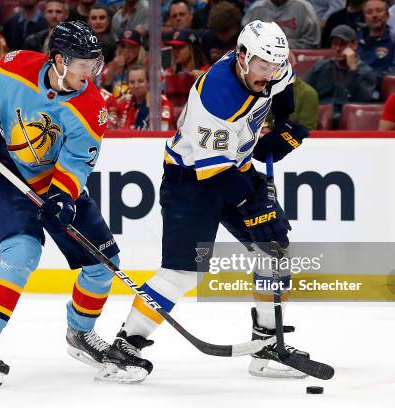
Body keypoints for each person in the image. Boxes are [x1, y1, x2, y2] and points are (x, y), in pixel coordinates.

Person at [98, 21, 311, 384]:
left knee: (274, 251)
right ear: (242, 58)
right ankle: (125, 348)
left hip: (235, 168)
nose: (270, 73)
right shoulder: (215, 97)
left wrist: (282, 125)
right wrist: (254, 204)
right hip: (191, 181)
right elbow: (216, 174)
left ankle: (266, 346)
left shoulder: (272, 67)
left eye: (275, 65)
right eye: (262, 66)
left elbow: (285, 84)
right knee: (181, 273)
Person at [0, 21, 119, 388]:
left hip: (51, 183)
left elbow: (77, 162)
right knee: (22, 251)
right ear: (59, 60)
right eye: (83, 63)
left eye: (95, 63)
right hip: (8, 177)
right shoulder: (17, 68)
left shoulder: (93, 107)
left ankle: (80, 334)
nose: (90, 72)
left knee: (103, 264)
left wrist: (61, 196)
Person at [305, 25, 378, 127]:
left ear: (354, 45)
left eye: (343, 44)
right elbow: (304, 93)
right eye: (335, 44)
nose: (338, 49)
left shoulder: (366, 72)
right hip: (318, 118)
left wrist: (353, 70)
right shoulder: (320, 68)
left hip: (349, 121)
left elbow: (363, 100)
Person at [357, 0, 395, 79]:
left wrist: (367, 75)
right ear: (364, 17)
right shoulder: (355, 40)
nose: (374, 15)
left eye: (379, 11)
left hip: (382, 88)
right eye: (369, 12)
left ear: (388, 15)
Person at [116, 64, 175, 130]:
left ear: (148, 83)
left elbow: (164, 132)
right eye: (132, 82)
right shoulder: (123, 103)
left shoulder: (163, 103)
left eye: (140, 81)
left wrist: (147, 107)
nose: (136, 86)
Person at [242, 0, 321, 49]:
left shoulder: (303, 7)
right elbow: (245, 39)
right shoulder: (257, 9)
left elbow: (313, 43)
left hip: (297, 56)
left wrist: (280, 45)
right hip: (262, 57)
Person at [100, 29, 147, 97]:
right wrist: (111, 70)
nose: (126, 51)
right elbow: (102, 92)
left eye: (131, 47)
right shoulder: (113, 65)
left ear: (139, 49)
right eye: (123, 46)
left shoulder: (148, 66)